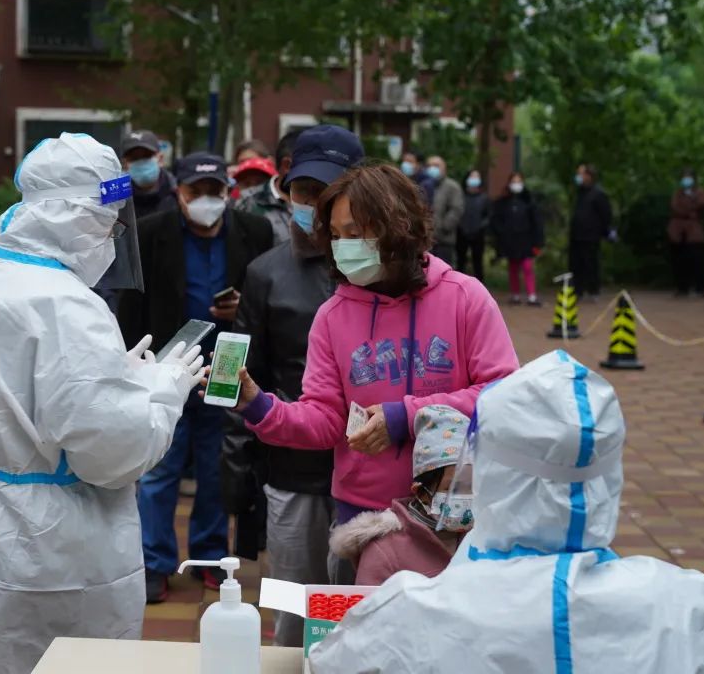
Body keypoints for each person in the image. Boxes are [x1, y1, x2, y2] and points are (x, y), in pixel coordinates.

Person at [0, 133, 206, 674]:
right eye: (109, 221)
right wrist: (162, 388)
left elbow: (11, 401)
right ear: (83, 216)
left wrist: (113, 376)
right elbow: (113, 453)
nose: (112, 236)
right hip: (42, 546)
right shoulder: (67, 306)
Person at [311, 350, 704, 673]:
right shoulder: (688, 608)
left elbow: (327, 661)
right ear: (610, 474)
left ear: (488, 469)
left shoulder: (409, 612)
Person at [229, 164, 518, 563]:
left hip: (456, 511)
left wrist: (406, 417)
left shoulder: (465, 297)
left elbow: (503, 394)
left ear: (398, 226)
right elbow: (325, 418)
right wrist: (259, 406)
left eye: (355, 233)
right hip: (362, 516)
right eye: (335, 235)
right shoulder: (332, 317)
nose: (344, 247)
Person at [222, 125, 364, 646]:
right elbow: (235, 376)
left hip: (371, 476)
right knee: (293, 614)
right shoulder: (264, 274)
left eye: (327, 192)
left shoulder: (383, 273)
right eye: (304, 191)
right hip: (292, 475)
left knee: (358, 614)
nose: (314, 205)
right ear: (286, 191)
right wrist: (236, 472)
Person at [119, 152, 273, 603]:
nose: (207, 199)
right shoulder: (152, 232)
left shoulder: (254, 231)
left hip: (227, 367)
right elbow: (131, 302)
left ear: (228, 192)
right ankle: (154, 562)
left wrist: (243, 306)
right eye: (196, 191)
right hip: (167, 364)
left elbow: (265, 294)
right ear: (179, 193)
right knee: (159, 469)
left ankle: (210, 557)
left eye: (215, 191)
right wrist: (131, 365)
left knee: (216, 468)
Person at [329, 405, 472, 586]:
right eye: (454, 488)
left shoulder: (487, 541)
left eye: (474, 487)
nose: (468, 497)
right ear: (420, 491)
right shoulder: (385, 552)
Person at [234, 130, 303, 245]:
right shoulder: (245, 204)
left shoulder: (325, 199)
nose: (252, 188)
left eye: (260, 181)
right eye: (246, 183)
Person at [492, 171, 545, 306]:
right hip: (510, 241)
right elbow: (497, 221)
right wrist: (502, 235)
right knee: (513, 268)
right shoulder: (503, 202)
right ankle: (515, 294)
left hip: (526, 240)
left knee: (527, 267)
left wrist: (538, 243)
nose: (516, 184)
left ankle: (531, 295)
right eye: (514, 181)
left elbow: (537, 222)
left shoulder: (529, 201)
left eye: (518, 181)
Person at [569, 163, 613, 301]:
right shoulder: (580, 193)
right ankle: (578, 290)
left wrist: (604, 232)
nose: (578, 177)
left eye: (581, 174)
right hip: (577, 235)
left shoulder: (598, 194)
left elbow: (606, 215)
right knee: (576, 264)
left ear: (589, 176)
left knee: (591, 263)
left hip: (591, 236)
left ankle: (593, 290)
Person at [118, 130, 177, 219]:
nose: (141, 161)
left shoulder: (177, 193)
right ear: (125, 164)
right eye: (134, 158)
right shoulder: (117, 201)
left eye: (147, 155)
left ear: (160, 159)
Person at [668, 167, 704, 298]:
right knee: (679, 259)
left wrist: (689, 207)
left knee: (697, 259)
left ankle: (700, 288)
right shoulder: (677, 193)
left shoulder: (699, 192)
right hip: (677, 229)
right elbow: (675, 207)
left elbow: (702, 204)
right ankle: (682, 288)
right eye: (684, 177)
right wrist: (690, 209)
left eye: (689, 177)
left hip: (694, 229)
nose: (686, 179)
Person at [425, 156, 464, 266]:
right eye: (429, 166)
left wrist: (443, 227)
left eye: (436, 166)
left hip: (444, 241)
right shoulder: (423, 186)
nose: (432, 168)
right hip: (425, 242)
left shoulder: (452, 187)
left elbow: (456, 209)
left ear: (444, 168)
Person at [455, 169, 490, 282]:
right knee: (460, 261)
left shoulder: (484, 198)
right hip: (461, 233)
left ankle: (480, 286)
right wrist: (460, 225)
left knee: (478, 262)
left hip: (478, 234)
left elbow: (488, 216)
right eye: (472, 176)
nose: (474, 179)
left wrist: (480, 227)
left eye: (476, 177)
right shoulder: (460, 196)